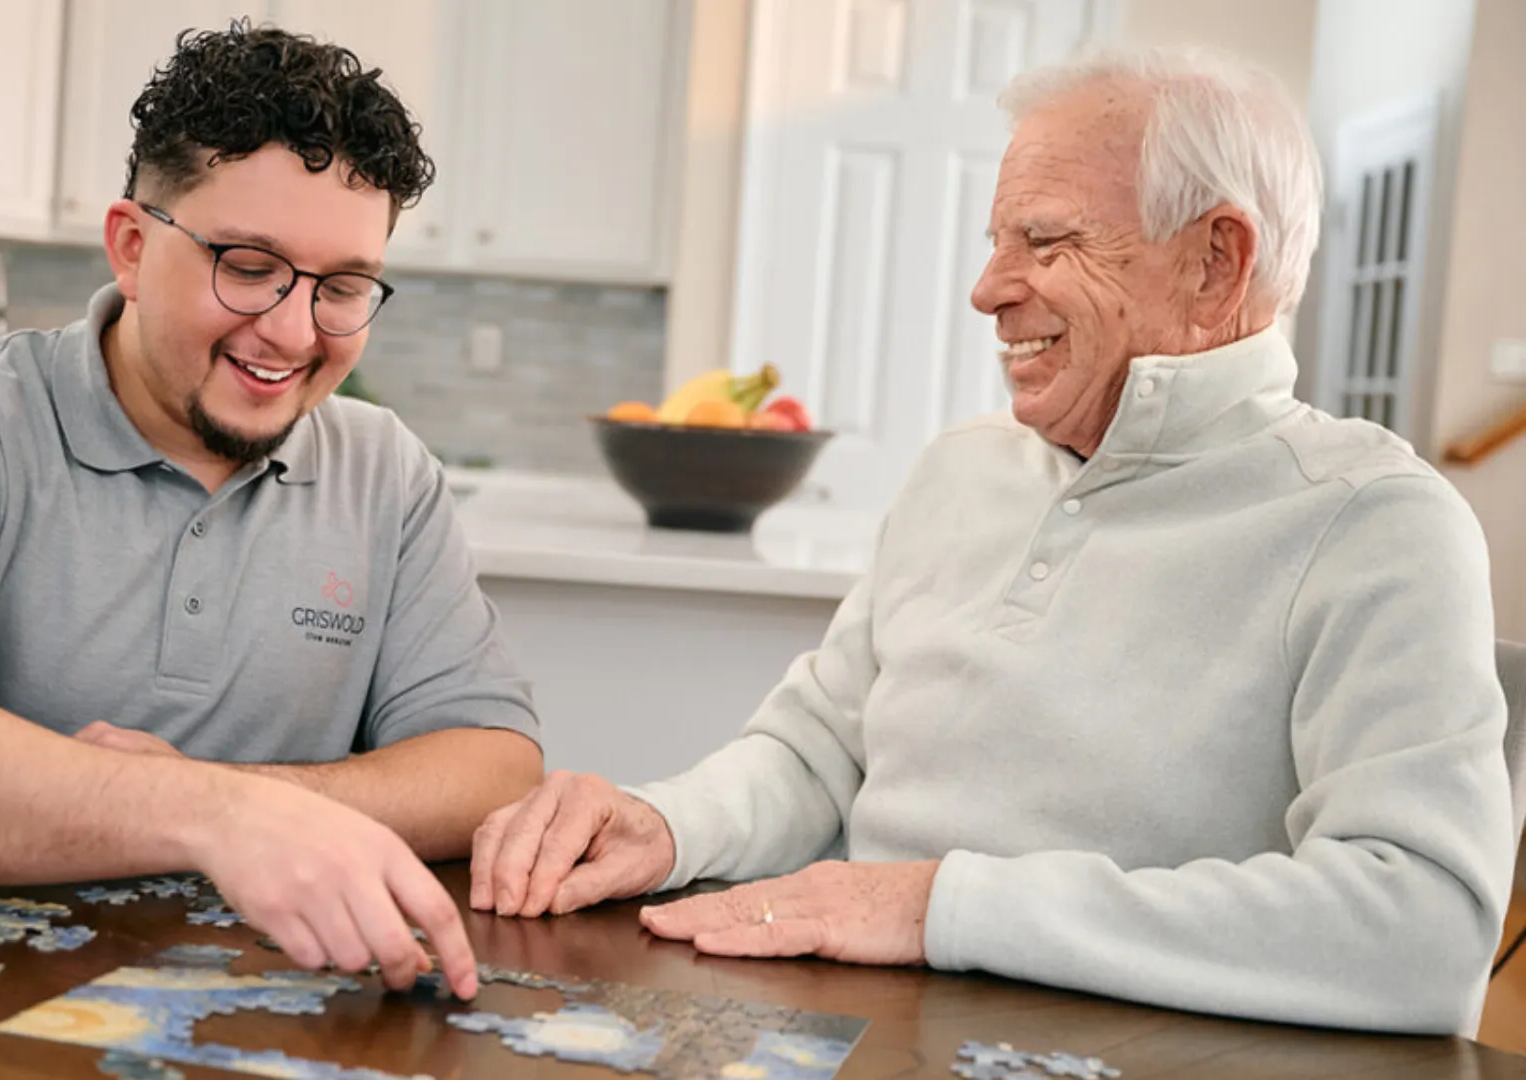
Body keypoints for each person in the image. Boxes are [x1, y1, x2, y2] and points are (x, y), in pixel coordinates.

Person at [470, 45, 1515, 1035]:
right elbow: (820, 751)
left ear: (1214, 262)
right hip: (850, 1028)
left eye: (1046, 241)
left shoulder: (1374, 523)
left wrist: (939, 908)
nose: (988, 290)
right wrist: (666, 825)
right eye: (996, 240)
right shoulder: (958, 471)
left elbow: (1421, 928)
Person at [0, 22, 549, 1000]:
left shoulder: (387, 472)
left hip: (274, 1007)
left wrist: (245, 801)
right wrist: (209, 818)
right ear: (132, 246)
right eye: (247, 265)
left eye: (344, 287)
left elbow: (494, 766)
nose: (289, 329)